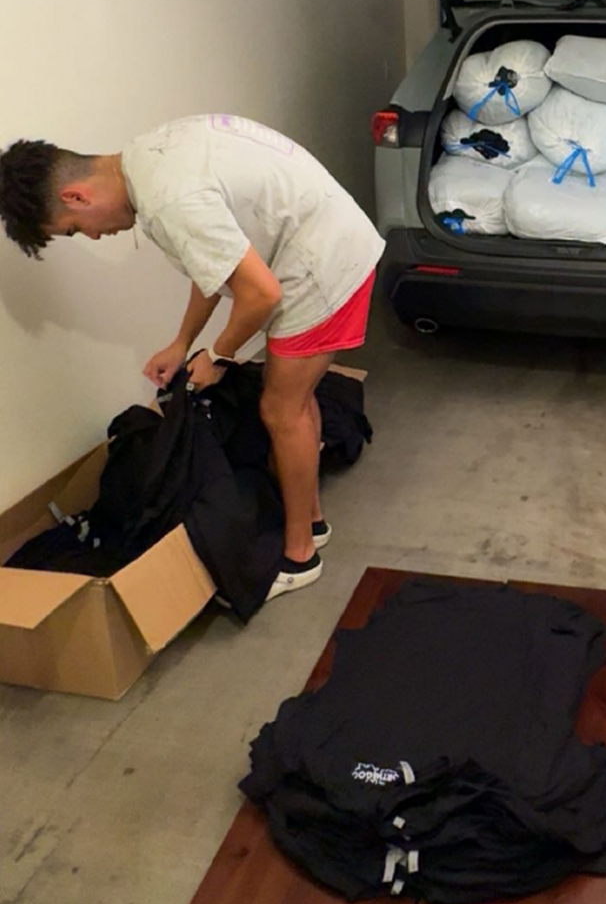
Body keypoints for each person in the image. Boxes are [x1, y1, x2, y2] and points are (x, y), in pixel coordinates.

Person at [0, 113, 384, 601]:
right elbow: (217, 265)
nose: (91, 237)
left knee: (280, 410)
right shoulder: (147, 158)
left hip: (323, 263)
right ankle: (311, 522)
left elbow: (261, 294)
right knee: (293, 401)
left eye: (74, 230)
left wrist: (218, 356)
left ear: (76, 197)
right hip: (323, 236)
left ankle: (300, 555)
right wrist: (183, 342)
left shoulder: (167, 202)